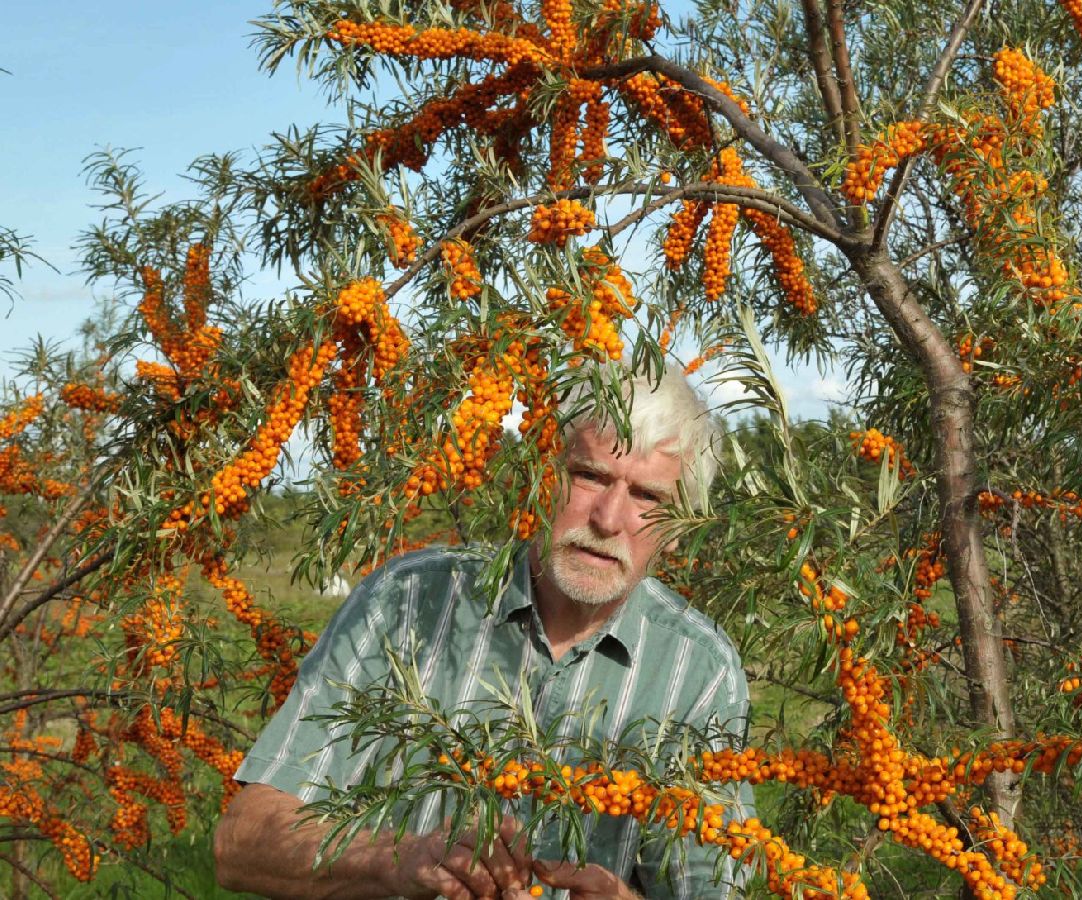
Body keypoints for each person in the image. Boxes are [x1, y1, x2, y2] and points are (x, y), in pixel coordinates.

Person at [213, 364, 754, 899]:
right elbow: (242, 842)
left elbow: (712, 887)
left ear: (682, 531)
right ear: (539, 474)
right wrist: (392, 860)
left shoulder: (699, 671)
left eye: (647, 498)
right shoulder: (404, 602)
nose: (609, 520)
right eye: (589, 475)